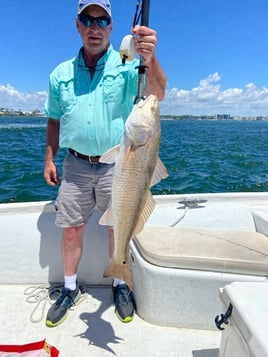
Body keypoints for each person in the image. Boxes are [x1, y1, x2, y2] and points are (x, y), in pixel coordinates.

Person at [43, 0, 166, 327]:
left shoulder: (128, 64)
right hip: (75, 165)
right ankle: (69, 288)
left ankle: (120, 283)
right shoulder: (60, 74)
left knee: (118, 226)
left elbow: (156, 94)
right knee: (71, 230)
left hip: (118, 165)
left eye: (101, 21)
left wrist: (150, 60)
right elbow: (53, 120)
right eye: (88, 20)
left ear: (111, 27)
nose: (94, 28)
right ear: (78, 25)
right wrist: (49, 158)